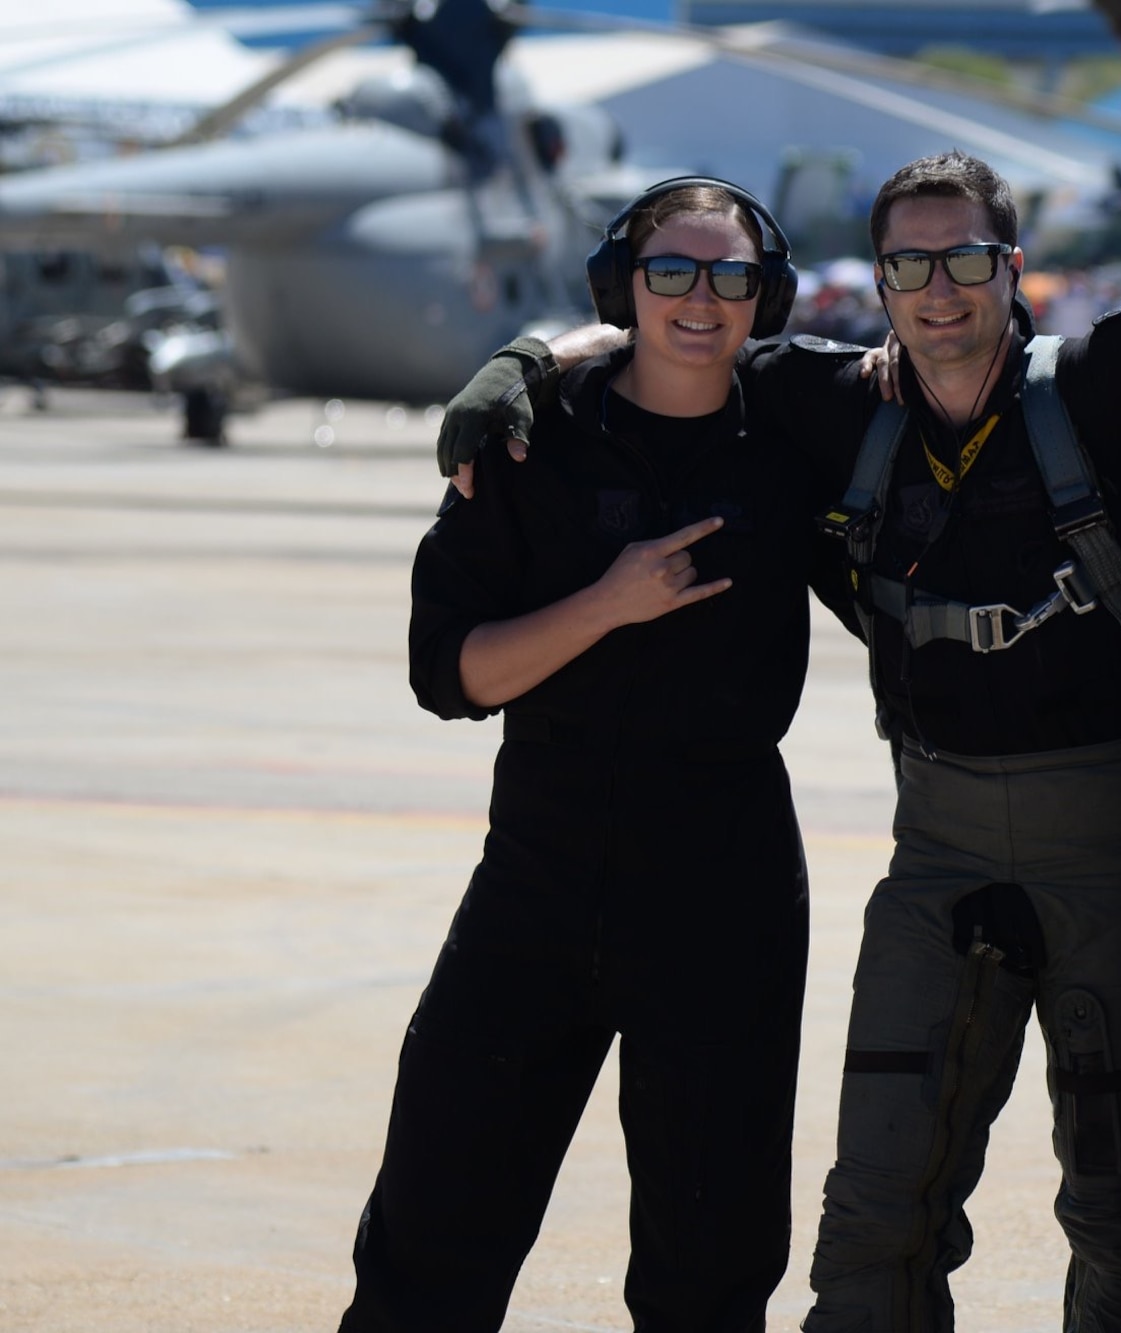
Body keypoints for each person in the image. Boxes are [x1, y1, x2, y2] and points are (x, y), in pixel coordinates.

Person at [431, 148, 1121, 1333]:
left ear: (1011, 268)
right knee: (876, 1209)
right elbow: (664, 329)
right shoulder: (830, 402)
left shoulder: (1105, 378)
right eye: (908, 263)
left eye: (966, 258)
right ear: (874, 281)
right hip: (936, 848)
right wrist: (520, 358)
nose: (938, 288)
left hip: (1117, 851)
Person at [339, 179, 832, 1332]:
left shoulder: (800, 431)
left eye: (729, 276)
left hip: (726, 883)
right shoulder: (529, 442)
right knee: (431, 1224)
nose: (699, 299)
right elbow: (449, 674)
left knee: (710, 1255)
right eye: (671, 271)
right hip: (540, 872)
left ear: (767, 296)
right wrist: (606, 604)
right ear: (624, 286)